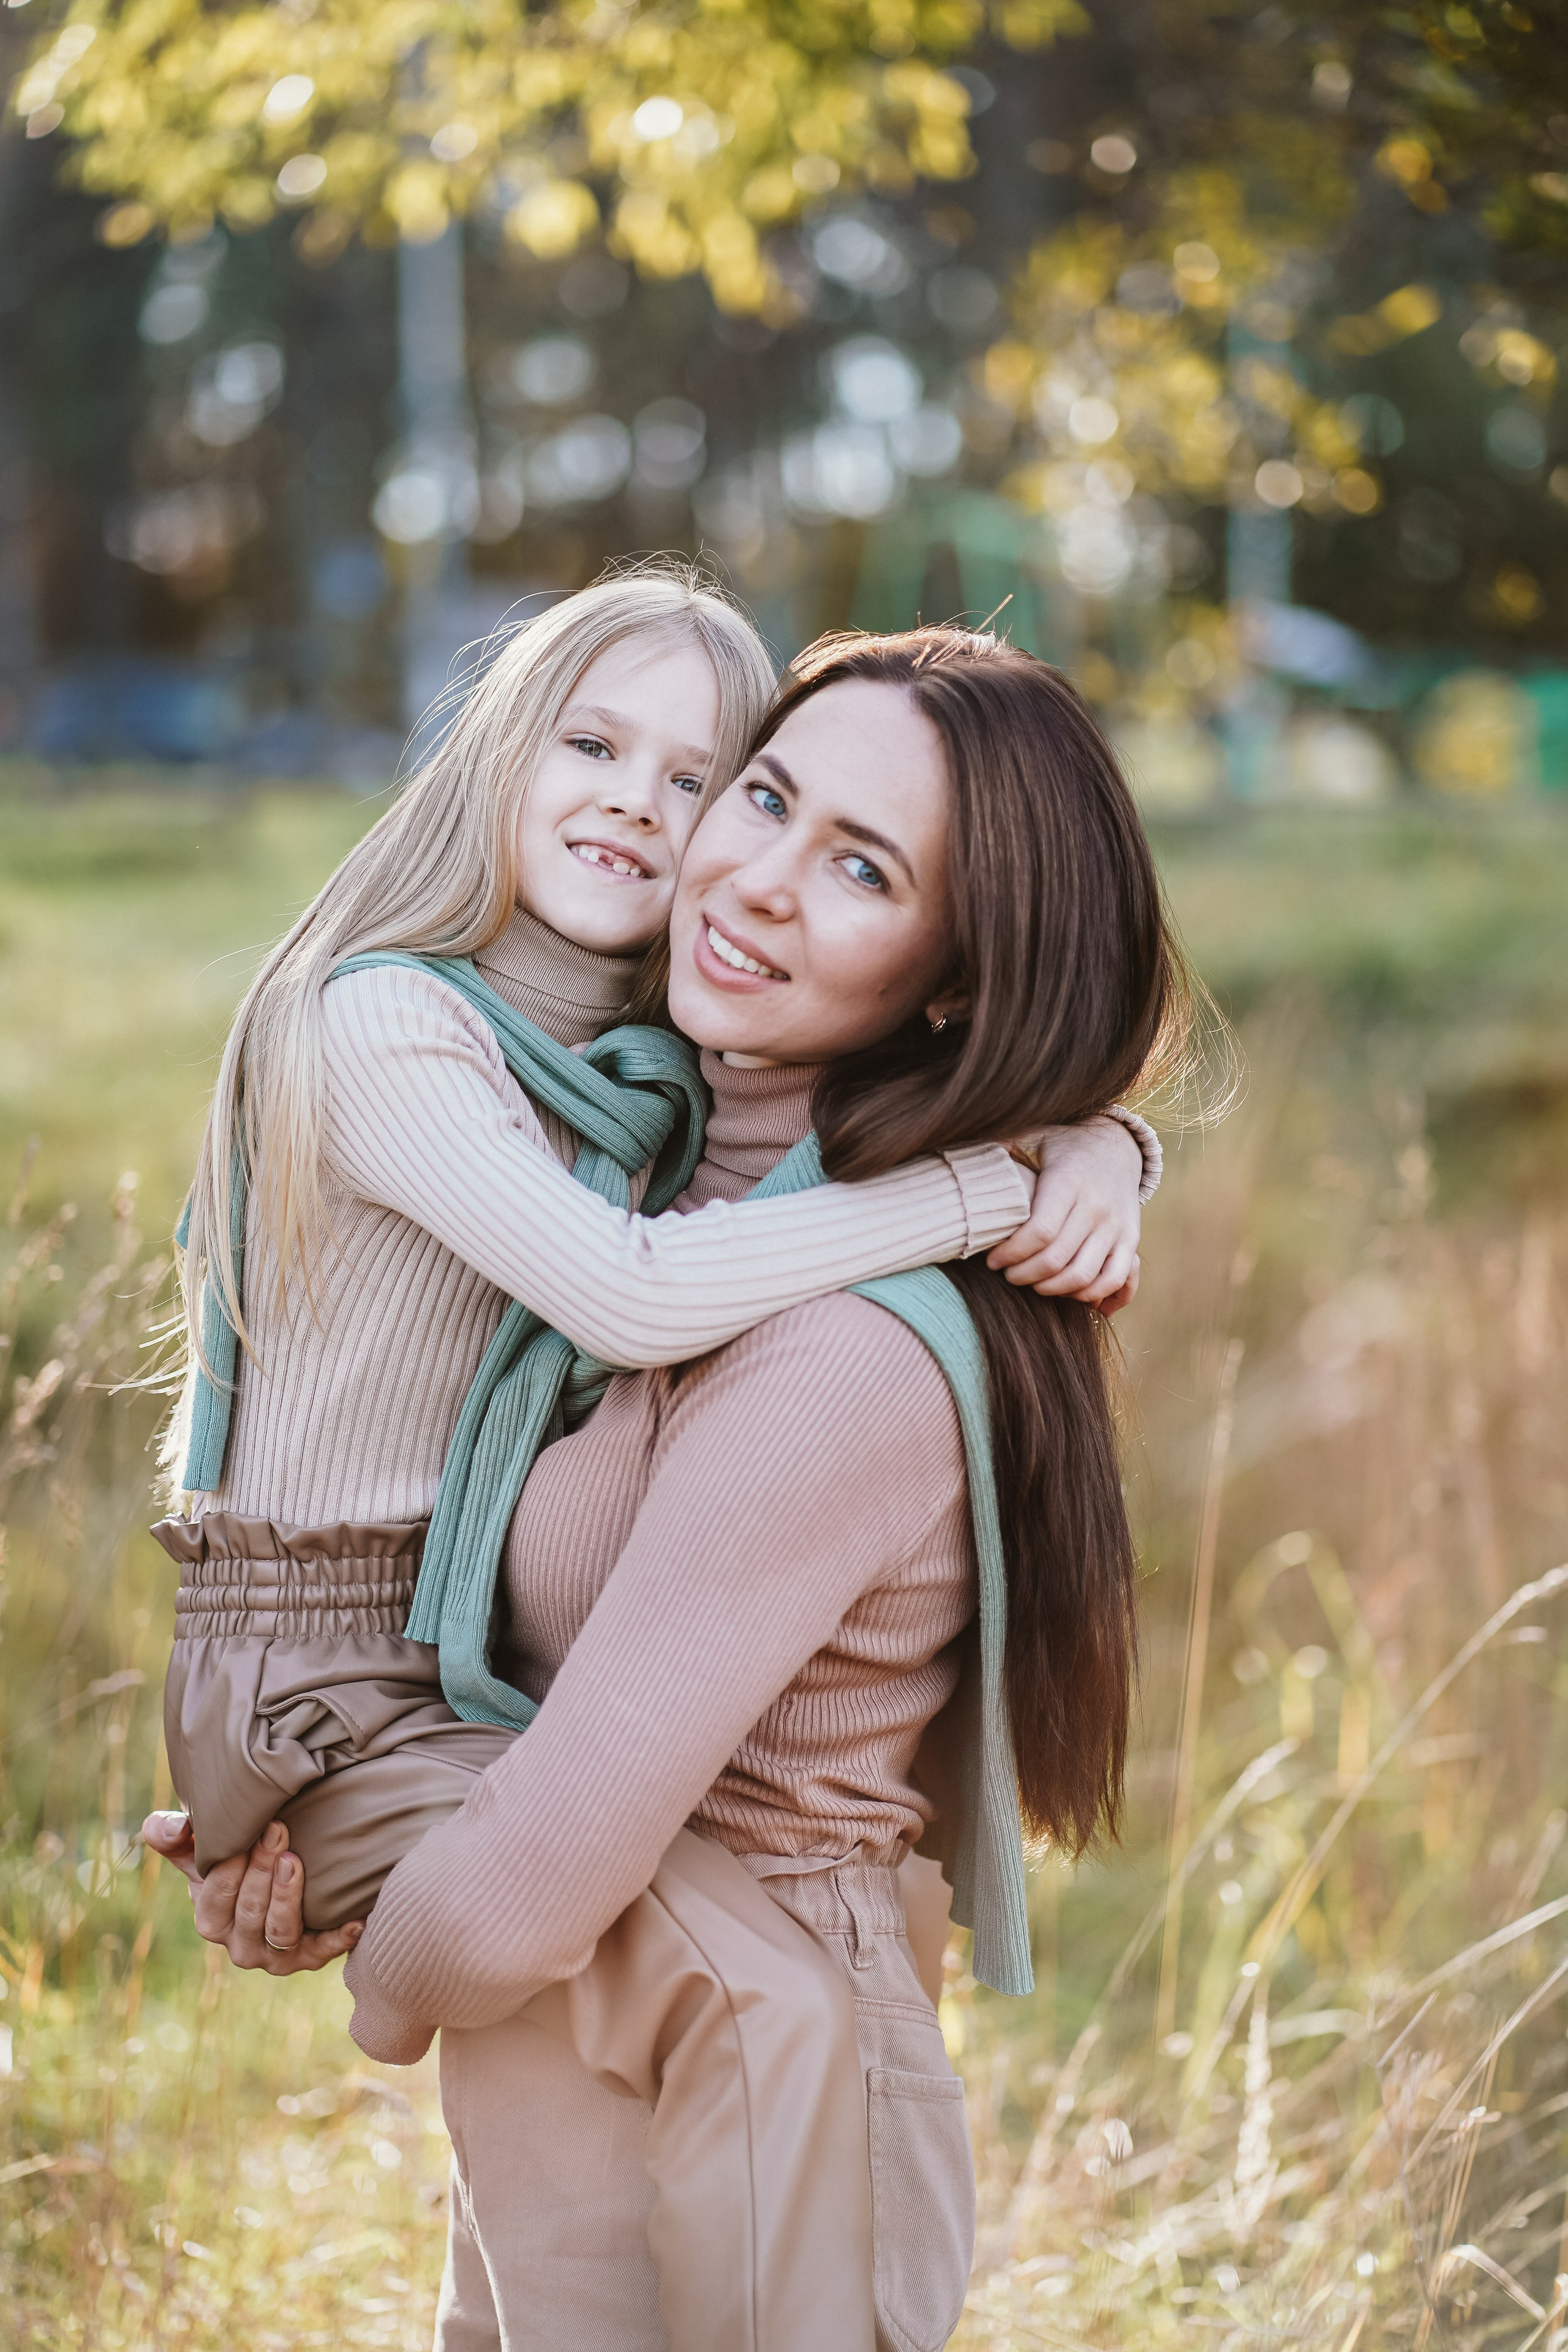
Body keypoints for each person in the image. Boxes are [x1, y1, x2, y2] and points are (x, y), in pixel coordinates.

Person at [145, 580, 1158, 2344]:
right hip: (569, 2069)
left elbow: (519, 1891)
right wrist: (1079, 1144)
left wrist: (366, 1938)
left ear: (957, 976)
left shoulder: (836, 1340)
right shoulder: (656, 1160)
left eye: (864, 868)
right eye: (766, 801)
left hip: (747, 2077)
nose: (751, 871)